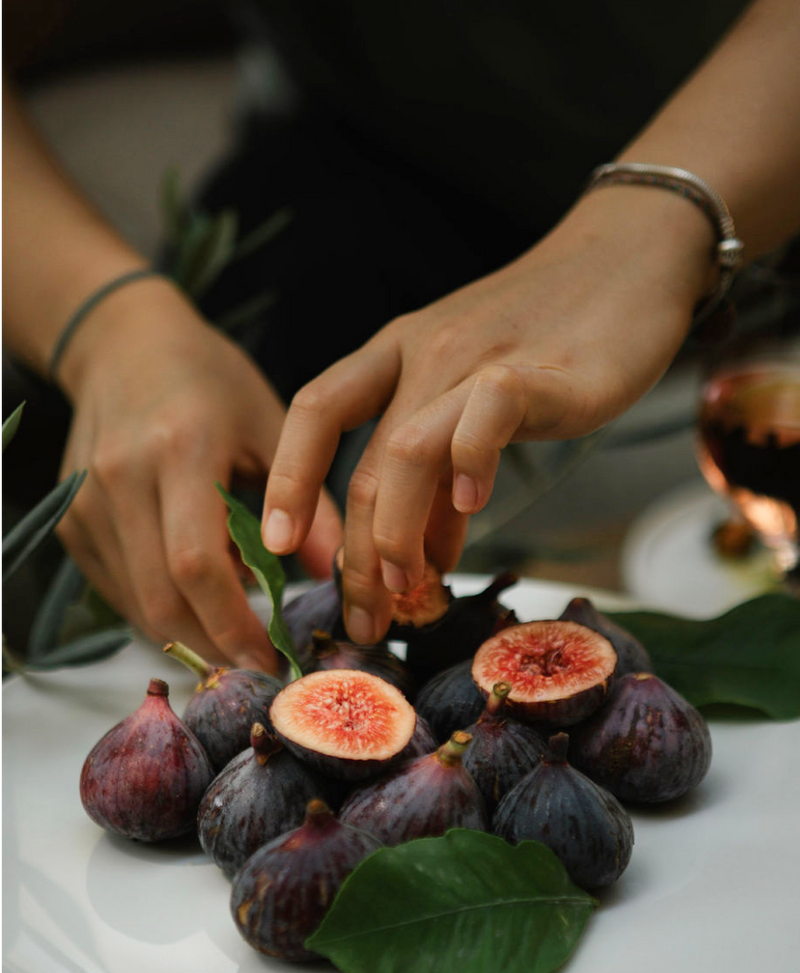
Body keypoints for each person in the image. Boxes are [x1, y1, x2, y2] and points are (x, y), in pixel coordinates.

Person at [1, 0, 799, 672]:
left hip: (754, 170)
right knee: (143, 570)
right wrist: (107, 322)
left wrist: (649, 229)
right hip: (359, 151)